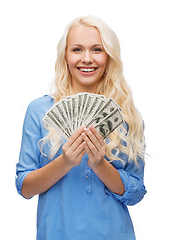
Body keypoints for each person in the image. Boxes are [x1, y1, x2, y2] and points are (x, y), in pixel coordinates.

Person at [16, 15, 147, 240]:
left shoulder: (126, 115)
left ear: (109, 56)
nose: (87, 58)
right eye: (77, 49)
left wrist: (99, 164)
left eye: (97, 49)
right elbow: (25, 187)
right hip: (57, 233)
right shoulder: (39, 110)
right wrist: (65, 162)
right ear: (65, 56)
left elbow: (135, 193)